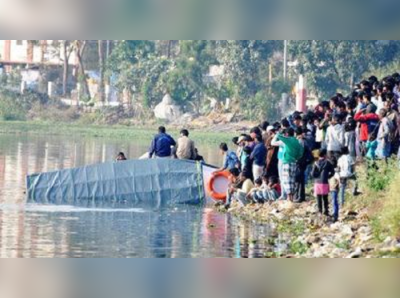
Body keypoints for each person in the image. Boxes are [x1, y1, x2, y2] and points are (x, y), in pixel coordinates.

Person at [275, 128, 304, 202]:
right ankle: (291, 197)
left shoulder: (288, 140)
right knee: (292, 179)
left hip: (287, 162)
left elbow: (279, 136)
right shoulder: (297, 141)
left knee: (286, 180)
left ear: (287, 134)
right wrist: (296, 158)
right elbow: (301, 153)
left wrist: (278, 133)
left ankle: (289, 198)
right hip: (294, 162)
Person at [311, 149, 335, 217]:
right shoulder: (328, 163)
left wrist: (316, 176)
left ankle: (320, 211)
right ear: (325, 155)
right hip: (324, 182)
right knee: (325, 198)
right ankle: (326, 211)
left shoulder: (315, 163)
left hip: (317, 182)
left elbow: (312, 174)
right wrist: (328, 176)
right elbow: (333, 172)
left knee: (318, 198)